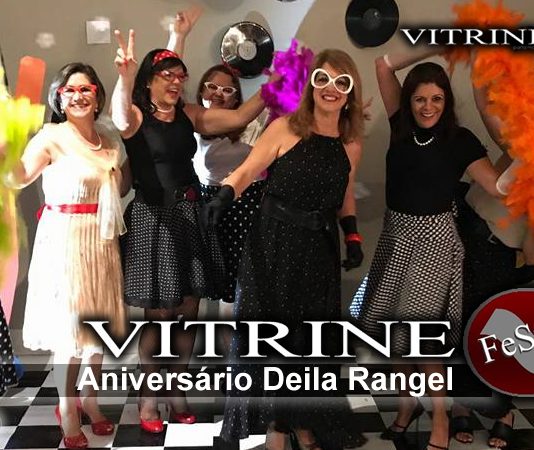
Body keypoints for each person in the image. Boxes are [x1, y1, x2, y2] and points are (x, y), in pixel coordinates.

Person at [203, 49, 365, 450]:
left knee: (308, 342)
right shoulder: (286, 128)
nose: (331, 89)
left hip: (318, 249)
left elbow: (345, 196)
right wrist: (224, 196)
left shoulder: (350, 143)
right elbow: (246, 171)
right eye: (323, 79)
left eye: (341, 82)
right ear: (311, 85)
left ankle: (302, 422)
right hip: (272, 244)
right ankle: (276, 428)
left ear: (350, 92)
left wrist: (352, 235)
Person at [111, 29, 268, 432]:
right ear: (149, 80)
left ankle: (176, 391)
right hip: (153, 218)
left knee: (187, 310)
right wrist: (124, 76)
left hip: (189, 212)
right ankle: (149, 398)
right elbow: (119, 115)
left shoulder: (189, 113)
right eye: (168, 76)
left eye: (181, 76)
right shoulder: (135, 116)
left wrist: (277, 83)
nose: (177, 82)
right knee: (159, 314)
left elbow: (239, 117)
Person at [350, 48, 502, 450]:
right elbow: (383, 65)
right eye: (420, 98)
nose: (428, 106)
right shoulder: (400, 123)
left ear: (447, 101)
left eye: (436, 98)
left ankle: (439, 416)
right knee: (392, 331)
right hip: (395, 236)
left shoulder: (460, 140)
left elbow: (496, 186)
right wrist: (440, 44)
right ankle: (407, 405)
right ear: (409, 100)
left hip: (434, 241)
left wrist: (527, 160)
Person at [2, 63, 126, 448]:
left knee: (97, 331)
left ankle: (90, 399)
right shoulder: (51, 137)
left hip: (102, 242)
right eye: (69, 90)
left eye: (86, 88)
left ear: (97, 95)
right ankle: (68, 407)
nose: (78, 96)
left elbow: (120, 186)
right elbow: (18, 177)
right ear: (59, 97)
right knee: (70, 333)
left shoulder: (107, 138)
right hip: (65, 241)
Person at [450, 58, 523, 450]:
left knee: (497, 333)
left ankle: (502, 411)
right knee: (458, 321)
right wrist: (480, 62)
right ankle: (462, 403)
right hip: (470, 227)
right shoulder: (523, 135)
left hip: (505, 252)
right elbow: (486, 109)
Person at [193, 64, 267, 349]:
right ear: (201, 89)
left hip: (247, 207)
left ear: (236, 98)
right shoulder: (189, 123)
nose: (218, 94)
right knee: (219, 288)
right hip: (210, 207)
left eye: (227, 90)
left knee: (243, 289)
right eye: (212, 86)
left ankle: (241, 357)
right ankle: (225, 357)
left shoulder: (251, 123)